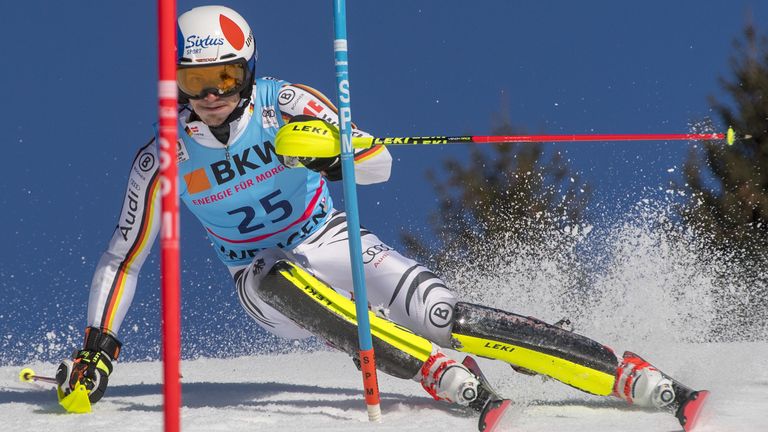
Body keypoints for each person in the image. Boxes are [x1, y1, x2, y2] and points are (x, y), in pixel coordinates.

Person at [56, 5, 705, 428]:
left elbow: (379, 165)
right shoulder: (163, 155)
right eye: (196, 83)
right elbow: (124, 255)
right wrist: (99, 349)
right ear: (176, 84)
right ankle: (430, 369)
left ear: (248, 70)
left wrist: (333, 157)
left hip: (333, 239)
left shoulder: (289, 103)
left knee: (447, 314)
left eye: (224, 77)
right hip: (260, 280)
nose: (214, 97)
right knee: (275, 271)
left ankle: (622, 373)